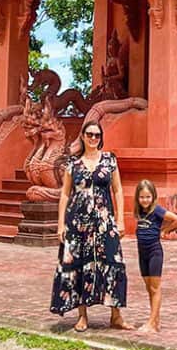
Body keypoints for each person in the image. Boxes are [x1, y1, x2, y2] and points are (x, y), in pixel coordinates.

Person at [50, 121, 133, 332]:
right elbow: (65, 194)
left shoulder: (109, 161)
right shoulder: (73, 164)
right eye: (90, 134)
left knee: (112, 263)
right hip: (78, 225)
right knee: (79, 266)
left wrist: (121, 220)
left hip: (105, 224)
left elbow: (118, 190)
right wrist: (61, 225)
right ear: (83, 136)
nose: (93, 138)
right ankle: (82, 315)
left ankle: (116, 315)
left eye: (97, 135)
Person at [134, 179, 177, 332]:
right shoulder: (140, 212)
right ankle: (156, 320)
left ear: (153, 197)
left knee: (155, 288)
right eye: (142, 197)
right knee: (149, 288)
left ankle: (151, 323)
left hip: (154, 251)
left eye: (148, 197)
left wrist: (164, 231)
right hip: (142, 253)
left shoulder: (157, 210)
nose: (145, 200)